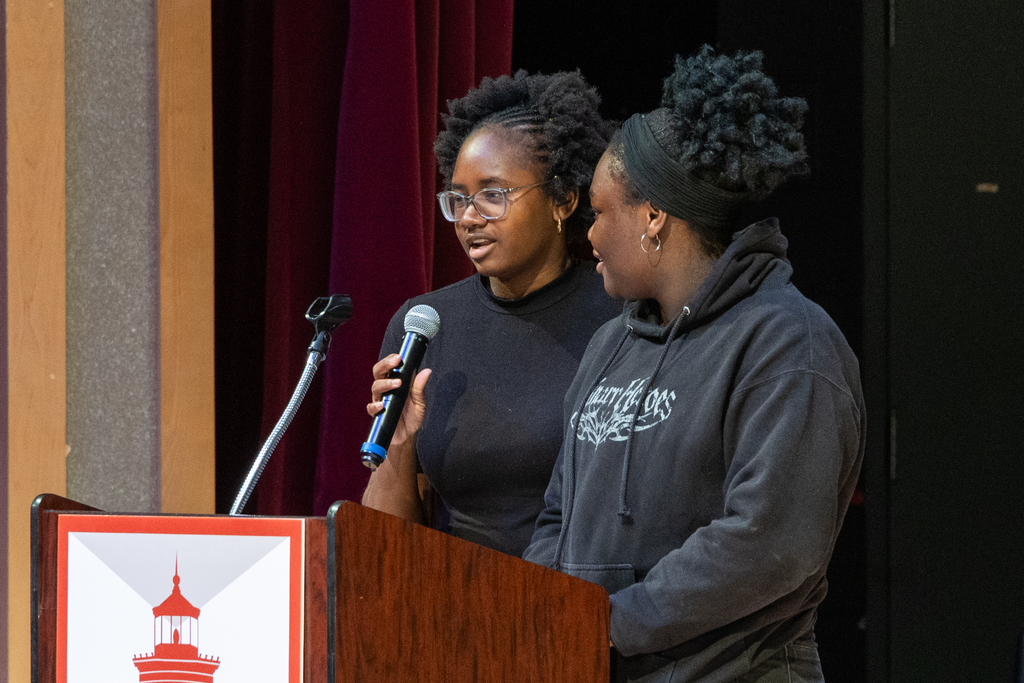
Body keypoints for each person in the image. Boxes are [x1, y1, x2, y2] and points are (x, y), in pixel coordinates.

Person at [523, 46, 865, 682]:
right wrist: (552, 618)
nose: (588, 236)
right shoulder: (609, 346)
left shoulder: (790, 345)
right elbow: (556, 516)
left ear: (654, 216)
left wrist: (607, 623)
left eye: (600, 212)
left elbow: (767, 544)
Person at [361, 70, 620, 558]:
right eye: (457, 199)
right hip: (461, 610)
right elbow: (385, 543)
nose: (469, 218)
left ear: (563, 199)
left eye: (493, 196)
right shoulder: (424, 324)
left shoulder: (619, 315)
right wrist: (397, 444)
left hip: (586, 604)